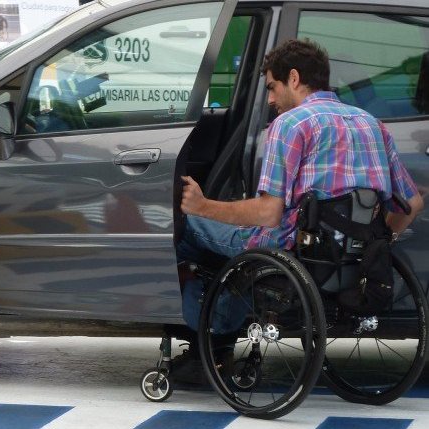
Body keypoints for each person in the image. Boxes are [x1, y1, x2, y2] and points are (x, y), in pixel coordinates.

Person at [172, 38, 424, 385]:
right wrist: (377, 242)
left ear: (293, 78)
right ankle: (219, 331)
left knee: (187, 230)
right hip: (350, 257)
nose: (271, 100)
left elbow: (268, 213)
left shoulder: (291, 125)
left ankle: (209, 346)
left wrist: (202, 205)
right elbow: (412, 204)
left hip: (290, 248)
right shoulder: (372, 125)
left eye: (272, 88)